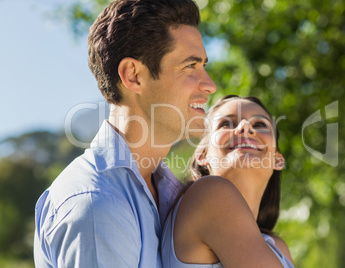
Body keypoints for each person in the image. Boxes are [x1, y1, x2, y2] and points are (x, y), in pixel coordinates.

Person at [34, 0, 216, 267]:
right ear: (133, 76)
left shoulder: (166, 189)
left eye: (203, 66)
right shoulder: (98, 205)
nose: (210, 85)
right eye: (191, 66)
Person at [162, 95, 294, 267]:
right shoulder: (210, 194)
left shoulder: (277, 246)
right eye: (226, 124)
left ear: (278, 160)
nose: (245, 127)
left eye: (260, 125)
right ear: (203, 155)